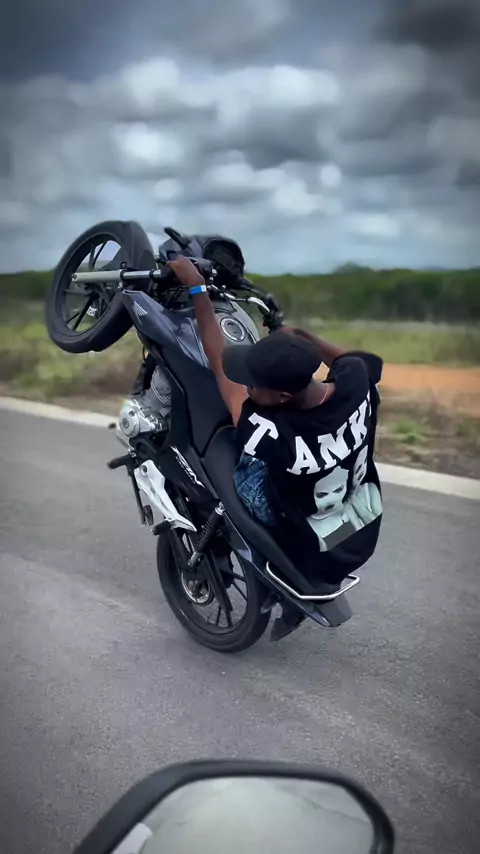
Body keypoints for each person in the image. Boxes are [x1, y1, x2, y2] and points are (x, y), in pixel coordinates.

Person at [136, 257, 384, 639]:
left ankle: (212, 504)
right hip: (358, 529)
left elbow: (219, 364)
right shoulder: (357, 381)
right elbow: (348, 360)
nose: (247, 387)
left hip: (310, 543)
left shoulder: (268, 430)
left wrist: (198, 290)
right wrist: (298, 339)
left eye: (253, 384)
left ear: (283, 397)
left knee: (226, 465)